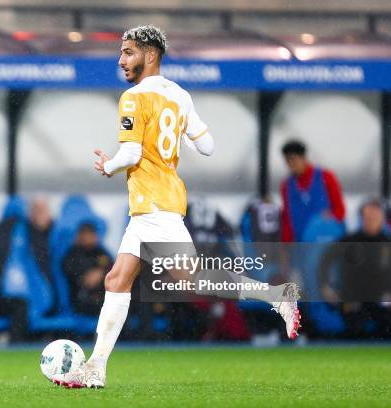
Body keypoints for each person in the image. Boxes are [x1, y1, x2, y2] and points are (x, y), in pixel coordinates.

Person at [53, 25, 300, 389]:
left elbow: (132, 152)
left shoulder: (134, 97)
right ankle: (95, 369)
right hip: (156, 204)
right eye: (121, 52)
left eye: (128, 52)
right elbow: (208, 146)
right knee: (116, 279)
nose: (121, 60)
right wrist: (176, 131)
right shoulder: (179, 95)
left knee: (193, 279)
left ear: (150, 55)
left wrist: (107, 166)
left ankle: (276, 295)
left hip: (153, 205)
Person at [318, 199, 391, 338]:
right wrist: (325, 287)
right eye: (368, 217)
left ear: (382, 219)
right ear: (362, 218)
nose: (372, 221)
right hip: (353, 299)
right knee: (355, 331)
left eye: (375, 217)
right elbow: (325, 261)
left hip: (382, 300)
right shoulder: (348, 241)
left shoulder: (387, 243)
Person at [280, 140, 346, 243]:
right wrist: (285, 244)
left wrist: (328, 219)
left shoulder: (326, 177)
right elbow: (287, 219)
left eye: (293, 159)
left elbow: (340, 211)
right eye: (287, 160)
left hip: (326, 243)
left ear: (303, 158)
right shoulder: (286, 186)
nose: (291, 164)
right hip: (301, 245)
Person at [62, 223, 112, 315]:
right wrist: (84, 278)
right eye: (83, 233)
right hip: (81, 298)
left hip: (103, 296)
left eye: (90, 234)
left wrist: (102, 273)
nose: (86, 237)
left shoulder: (101, 252)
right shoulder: (72, 253)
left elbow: (113, 269)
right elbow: (70, 272)